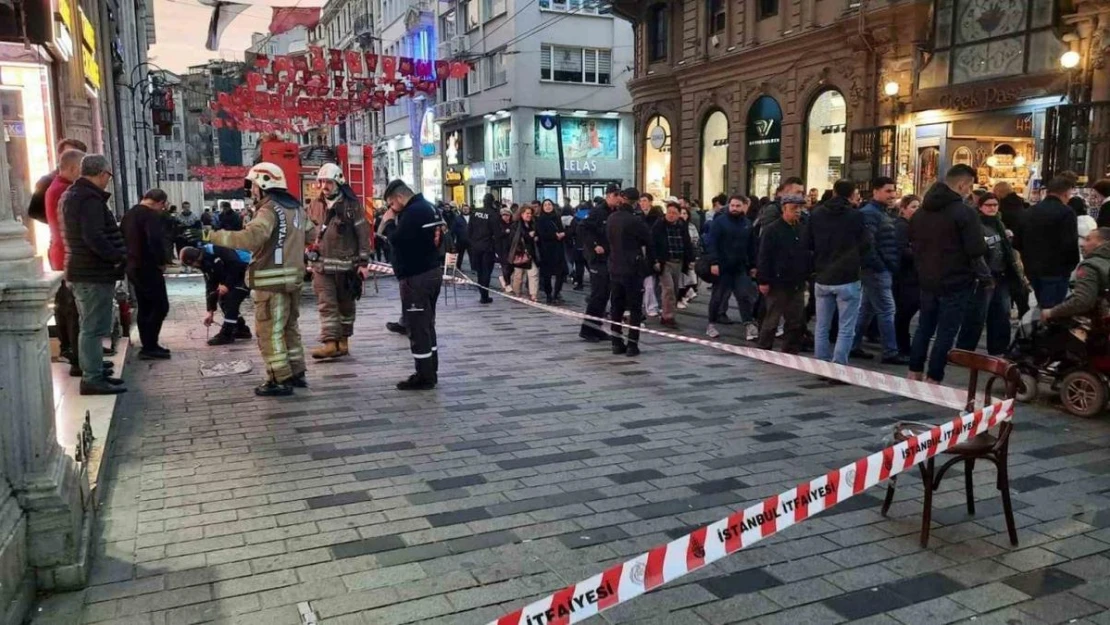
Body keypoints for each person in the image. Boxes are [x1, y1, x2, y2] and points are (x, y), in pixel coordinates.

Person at [210, 163, 310, 396]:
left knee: (269, 331)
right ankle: (296, 373)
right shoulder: (296, 209)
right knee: (289, 328)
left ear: (264, 184)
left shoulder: (268, 210)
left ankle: (278, 379)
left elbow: (251, 238)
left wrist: (211, 235)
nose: (252, 190)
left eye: (254, 185)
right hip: (293, 279)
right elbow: (312, 234)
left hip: (270, 282)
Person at [908, 164, 989, 383]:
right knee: (946, 330)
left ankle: (914, 370)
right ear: (962, 184)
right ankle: (934, 376)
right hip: (956, 280)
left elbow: (913, 243)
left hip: (927, 278)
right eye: (969, 186)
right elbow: (976, 249)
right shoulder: (964, 213)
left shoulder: (921, 213)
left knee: (925, 326)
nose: (969, 191)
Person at [61, 154, 126, 395]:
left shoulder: (75, 195)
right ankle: (92, 378)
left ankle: (95, 370)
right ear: (101, 173)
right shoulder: (87, 198)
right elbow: (94, 236)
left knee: (92, 325)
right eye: (109, 175)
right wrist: (116, 256)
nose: (108, 180)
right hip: (91, 273)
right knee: (92, 328)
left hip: (85, 271)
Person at [307, 163, 372, 360]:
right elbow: (307, 231)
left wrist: (363, 263)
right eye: (322, 181)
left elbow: (363, 235)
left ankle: (343, 341)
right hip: (321, 267)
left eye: (328, 181)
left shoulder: (352, 206)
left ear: (338, 182)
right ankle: (329, 343)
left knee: (346, 306)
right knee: (326, 305)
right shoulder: (314, 205)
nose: (324, 185)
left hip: (346, 267)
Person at [383, 180, 443, 390]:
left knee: (417, 326)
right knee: (427, 324)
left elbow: (397, 240)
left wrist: (389, 223)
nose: (391, 208)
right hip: (432, 271)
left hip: (417, 276)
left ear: (399, 197)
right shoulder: (428, 207)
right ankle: (430, 370)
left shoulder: (413, 211)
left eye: (391, 204)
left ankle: (424, 375)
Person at [805, 179, 870, 368]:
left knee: (822, 325)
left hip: (823, 275)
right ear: (852, 195)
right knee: (846, 327)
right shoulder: (855, 216)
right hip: (847, 277)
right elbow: (866, 244)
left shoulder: (816, 214)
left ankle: (821, 364)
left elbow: (808, 243)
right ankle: (839, 365)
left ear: (833, 192)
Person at [957, 193, 1028, 356]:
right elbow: (976, 253)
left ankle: (998, 349)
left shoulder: (999, 223)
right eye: (988, 205)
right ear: (980, 207)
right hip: (984, 277)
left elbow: (1006, 250)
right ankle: (964, 350)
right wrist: (984, 275)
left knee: (1001, 314)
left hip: (1001, 274)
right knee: (976, 315)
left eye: (995, 205)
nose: (992, 208)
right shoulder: (976, 225)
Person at [850, 177, 907, 364]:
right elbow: (868, 245)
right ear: (876, 191)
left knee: (866, 310)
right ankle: (890, 351)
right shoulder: (870, 213)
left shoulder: (882, 212)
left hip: (880, 268)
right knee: (887, 310)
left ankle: (853, 345)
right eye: (888, 191)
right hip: (876, 270)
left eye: (893, 191)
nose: (892, 195)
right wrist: (880, 265)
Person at [1015, 172, 1080, 309]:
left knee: (1042, 306)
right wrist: (1071, 266)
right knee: (1053, 311)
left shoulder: (1030, 212)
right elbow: (1070, 243)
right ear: (1066, 193)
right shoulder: (1066, 212)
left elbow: (1017, 242)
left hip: (1033, 268)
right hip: (1056, 270)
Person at [121, 188, 172, 359]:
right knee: (160, 306)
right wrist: (162, 261)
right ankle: (150, 346)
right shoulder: (150, 216)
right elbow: (155, 240)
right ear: (160, 202)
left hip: (132, 266)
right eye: (163, 206)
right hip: (148, 266)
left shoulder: (129, 215)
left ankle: (148, 344)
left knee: (144, 306)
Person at [45, 149, 85, 371]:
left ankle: (83, 358)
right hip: (67, 256)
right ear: (71, 168)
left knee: (73, 309)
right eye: (81, 169)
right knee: (75, 311)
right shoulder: (64, 190)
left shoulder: (59, 188)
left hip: (64, 254)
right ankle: (80, 361)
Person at [756, 194, 810, 353]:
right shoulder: (772, 230)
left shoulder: (802, 229)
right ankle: (764, 349)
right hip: (777, 282)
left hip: (797, 282)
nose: (798, 211)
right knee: (772, 319)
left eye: (800, 208)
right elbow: (764, 256)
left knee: (795, 320)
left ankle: (790, 351)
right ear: (784, 209)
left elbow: (807, 253)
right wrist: (763, 281)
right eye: (794, 208)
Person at [607, 188, 654, 356]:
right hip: (632, 269)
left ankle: (616, 343)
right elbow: (647, 240)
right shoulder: (636, 221)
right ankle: (632, 345)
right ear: (635, 202)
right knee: (634, 308)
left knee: (616, 307)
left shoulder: (612, 218)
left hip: (614, 267)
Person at [706, 194, 758, 341]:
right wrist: (714, 262)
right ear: (729, 206)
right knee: (718, 296)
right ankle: (711, 324)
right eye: (732, 205)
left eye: (738, 206)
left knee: (744, 296)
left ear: (744, 207)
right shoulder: (720, 222)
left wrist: (753, 265)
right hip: (722, 267)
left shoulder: (747, 224)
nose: (734, 208)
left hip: (740, 267)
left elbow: (751, 246)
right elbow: (712, 243)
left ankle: (748, 324)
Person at [179, 244, 252, 345]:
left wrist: (227, 285)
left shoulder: (216, 250)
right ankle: (240, 328)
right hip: (235, 275)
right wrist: (210, 311)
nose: (194, 267)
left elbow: (236, 264)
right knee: (222, 298)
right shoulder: (203, 262)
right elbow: (210, 285)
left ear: (194, 260)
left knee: (231, 299)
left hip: (247, 270)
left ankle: (227, 335)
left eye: (192, 265)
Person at [1041, 228, 1110, 323]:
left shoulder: (1090, 266)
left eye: (1088, 239)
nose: (1082, 244)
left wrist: (1051, 312)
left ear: (1102, 243)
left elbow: (1082, 301)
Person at [578, 187, 617, 342]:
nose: (618, 198)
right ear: (608, 196)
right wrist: (594, 245)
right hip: (597, 259)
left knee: (604, 295)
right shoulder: (597, 211)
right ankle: (587, 330)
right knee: (598, 294)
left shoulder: (614, 212)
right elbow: (582, 228)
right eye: (615, 195)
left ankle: (597, 327)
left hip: (609, 257)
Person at [651, 199, 694, 329]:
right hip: (665, 262)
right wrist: (655, 260)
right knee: (668, 289)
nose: (671, 215)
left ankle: (668, 313)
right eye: (669, 212)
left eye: (674, 213)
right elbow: (653, 244)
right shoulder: (659, 225)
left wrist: (690, 260)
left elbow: (687, 243)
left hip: (678, 261)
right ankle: (667, 316)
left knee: (675, 289)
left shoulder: (682, 225)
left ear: (679, 214)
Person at [27, 138, 88, 224]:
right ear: (59, 156)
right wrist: (59, 222)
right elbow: (34, 212)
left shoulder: (86, 181)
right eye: (68, 153)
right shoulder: (46, 181)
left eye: (76, 154)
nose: (71, 157)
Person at [893, 195, 921, 357]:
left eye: (918, 207)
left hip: (914, 276)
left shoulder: (915, 226)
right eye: (913, 207)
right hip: (904, 277)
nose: (916, 210)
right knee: (903, 313)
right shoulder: (901, 226)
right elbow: (902, 250)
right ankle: (901, 345)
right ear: (903, 209)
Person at [536, 199, 569, 304]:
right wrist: (554, 236)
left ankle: (556, 293)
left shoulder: (557, 217)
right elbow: (541, 234)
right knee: (547, 274)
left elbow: (562, 230)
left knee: (561, 273)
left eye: (549, 204)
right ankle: (549, 294)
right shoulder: (541, 219)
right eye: (545, 205)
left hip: (558, 249)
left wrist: (563, 234)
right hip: (546, 250)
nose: (548, 206)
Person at [469, 194, 499, 303]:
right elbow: (497, 233)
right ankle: (484, 296)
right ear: (492, 201)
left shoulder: (475, 212)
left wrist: (472, 243)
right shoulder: (493, 214)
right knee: (486, 271)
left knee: (480, 272)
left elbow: (469, 229)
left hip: (476, 246)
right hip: (488, 247)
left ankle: (482, 293)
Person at [508, 205, 541, 301]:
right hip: (520, 253)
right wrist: (528, 235)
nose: (529, 215)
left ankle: (533, 295)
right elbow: (513, 240)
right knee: (518, 276)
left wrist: (535, 237)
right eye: (527, 213)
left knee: (533, 273)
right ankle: (517, 293)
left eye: (530, 213)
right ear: (521, 214)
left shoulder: (533, 224)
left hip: (531, 253)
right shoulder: (516, 225)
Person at [494, 207, 515, 292]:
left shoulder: (513, 224)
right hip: (502, 248)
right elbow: (496, 235)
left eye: (507, 215)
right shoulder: (498, 224)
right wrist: (505, 232)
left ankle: (504, 278)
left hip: (512, 247)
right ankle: (507, 283)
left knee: (512, 266)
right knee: (505, 265)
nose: (506, 217)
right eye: (504, 215)